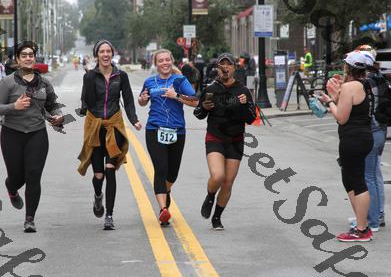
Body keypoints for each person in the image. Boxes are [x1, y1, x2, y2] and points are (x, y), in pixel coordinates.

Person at [0, 42, 64, 233]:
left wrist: (58, 116)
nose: (28, 58)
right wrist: (14, 107)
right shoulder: (8, 82)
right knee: (17, 177)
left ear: (35, 57)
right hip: (12, 134)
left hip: (37, 134)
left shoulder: (44, 83)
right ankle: (11, 187)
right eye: (23, 55)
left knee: (33, 176)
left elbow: (53, 105)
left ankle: (29, 219)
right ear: (17, 59)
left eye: (31, 55)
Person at [77, 39, 142, 230]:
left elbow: (128, 101)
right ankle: (98, 196)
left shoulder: (121, 76)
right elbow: (86, 101)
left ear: (112, 54)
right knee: (99, 175)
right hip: (96, 127)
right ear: (97, 55)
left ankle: (109, 216)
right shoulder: (90, 76)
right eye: (102, 51)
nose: (105, 54)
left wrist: (134, 120)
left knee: (110, 169)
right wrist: (83, 106)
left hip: (114, 126)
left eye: (108, 51)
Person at [195, 53, 257, 230]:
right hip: (215, 137)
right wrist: (204, 107)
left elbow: (251, 118)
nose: (225, 67)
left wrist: (244, 105)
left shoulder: (243, 91)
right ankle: (210, 196)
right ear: (218, 69)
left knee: (228, 182)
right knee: (218, 176)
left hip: (235, 140)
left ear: (234, 68)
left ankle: (217, 217)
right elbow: (198, 114)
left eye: (228, 64)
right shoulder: (211, 89)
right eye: (222, 65)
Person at [318, 51, 374, 242]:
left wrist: (329, 102)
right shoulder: (365, 85)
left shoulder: (350, 86)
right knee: (349, 180)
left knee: (357, 181)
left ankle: (362, 229)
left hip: (354, 139)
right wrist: (336, 96)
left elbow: (341, 118)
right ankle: (360, 223)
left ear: (349, 68)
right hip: (362, 137)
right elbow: (350, 108)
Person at [138, 49, 198, 225]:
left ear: (171, 61)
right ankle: (163, 209)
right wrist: (142, 99)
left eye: (167, 60)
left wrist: (176, 96)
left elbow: (195, 102)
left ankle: (166, 191)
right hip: (154, 129)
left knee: (172, 172)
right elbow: (142, 101)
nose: (164, 63)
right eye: (160, 61)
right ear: (155, 64)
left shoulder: (180, 81)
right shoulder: (150, 81)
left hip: (177, 131)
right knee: (160, 169)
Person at [357, 45, 387, 232]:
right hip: (380, 130)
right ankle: (378, 213)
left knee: (369, 176)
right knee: (375, 174)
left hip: (371, 130)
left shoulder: (367, 82)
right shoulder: (379, 77)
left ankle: (372, 218)